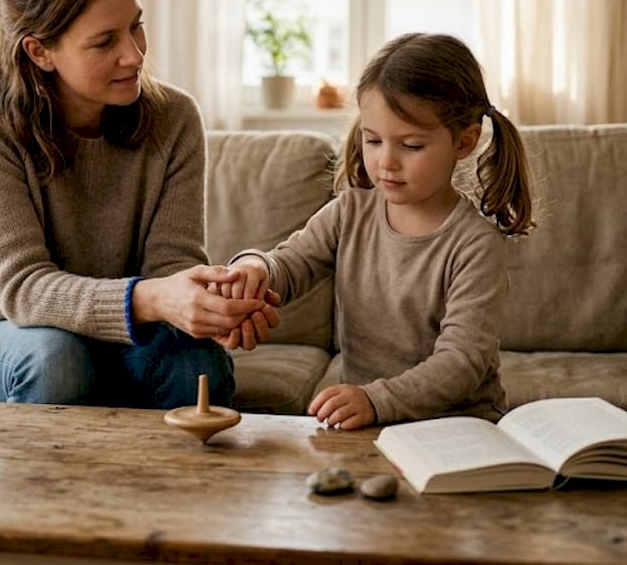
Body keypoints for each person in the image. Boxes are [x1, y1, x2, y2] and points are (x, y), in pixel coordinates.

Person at [0, 0, 276, 409]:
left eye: (136, 25)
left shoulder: (174, 119)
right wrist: (156, 299)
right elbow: (24, 290)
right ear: (40, 51)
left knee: (196, 360)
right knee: (57, 357)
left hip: (114, 334)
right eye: (104, 41)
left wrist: (213, 304)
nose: (134, 54)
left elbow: (172, 265)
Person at [224, 32, 534, 430]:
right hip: (367, 424)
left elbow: (462, 361)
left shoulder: (476, 245)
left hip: (458, 426)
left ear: (465, 142)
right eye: (373, 140)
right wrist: (254, 269)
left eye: (411, 146)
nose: (386, 161)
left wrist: (376, 399)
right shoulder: (350, 211)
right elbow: (291, 264)